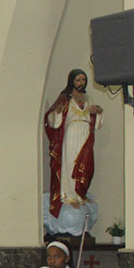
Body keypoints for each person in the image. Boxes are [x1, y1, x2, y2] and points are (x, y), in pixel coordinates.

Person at [44, 68, 104, 230]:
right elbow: (53, 120)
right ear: (72, 81)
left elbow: (96, 123)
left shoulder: (88, 98)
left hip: (85, 136)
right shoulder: (65, 99)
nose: (81, 83)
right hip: (71, 135)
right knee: (70, 164)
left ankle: (80, 194)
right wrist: (58, 112)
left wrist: (98, 112)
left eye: (83, 80)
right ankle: (69, 194)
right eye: (78, 80)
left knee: (86, 166)